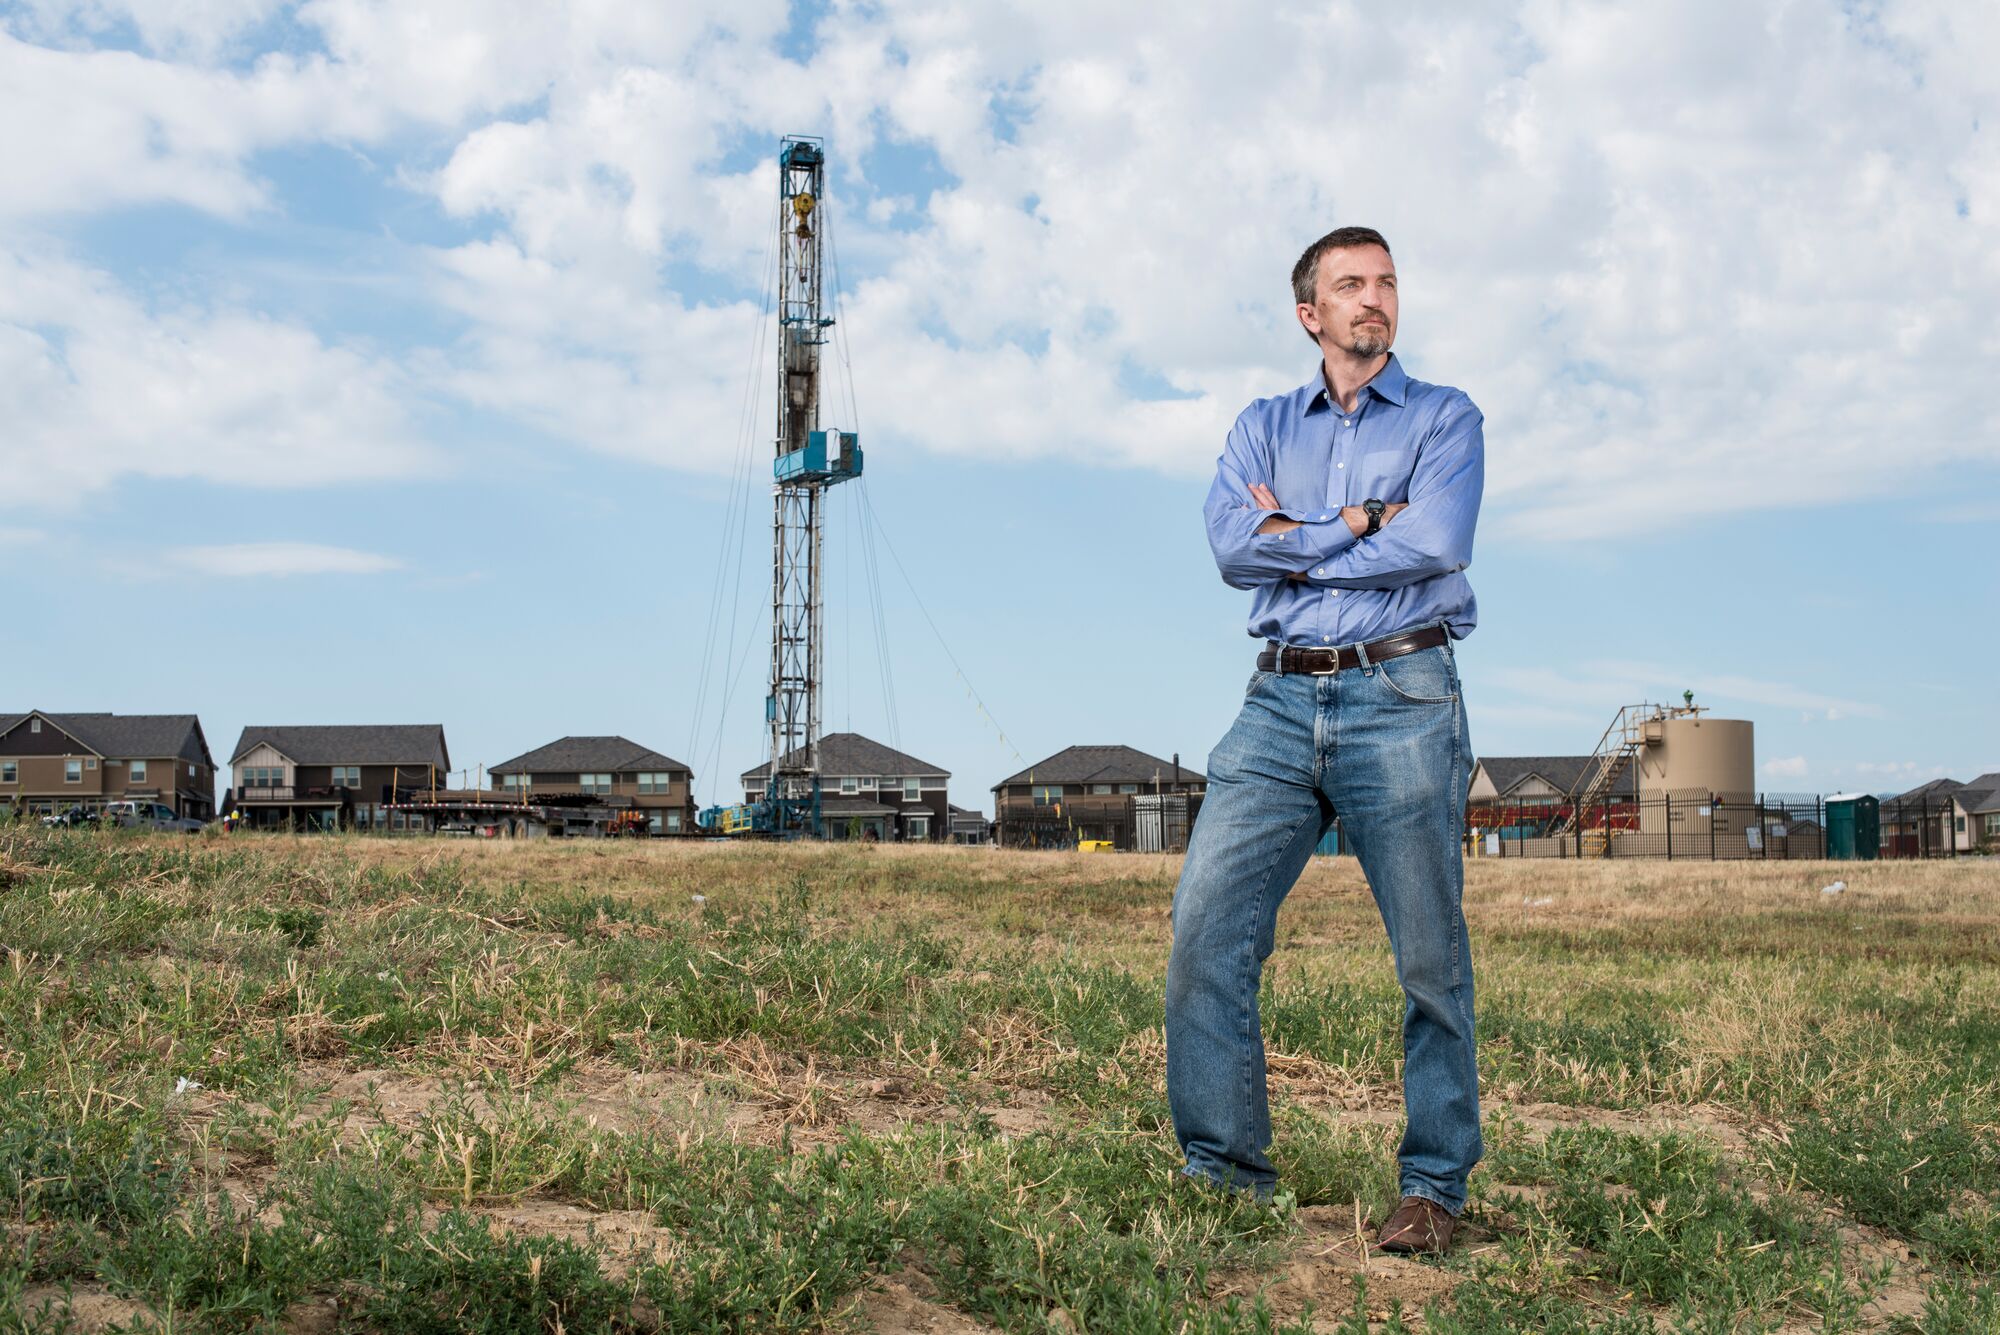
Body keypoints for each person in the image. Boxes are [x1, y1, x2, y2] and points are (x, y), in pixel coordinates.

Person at [1165, 225, 1485, 1257]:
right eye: (1349, 284)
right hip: (1274, 705)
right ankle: (1223, 1174)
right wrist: (1350, 526)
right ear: (1309, 313)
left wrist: (1291, 547)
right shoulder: (1260, 426)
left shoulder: (1444, 417)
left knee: (1428, 960)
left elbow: (1436, 542)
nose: (1373, 298)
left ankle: (1432, 1186)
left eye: (1385, 281)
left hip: (1402, 688)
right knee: (1206, 930)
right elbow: (1224, 548)